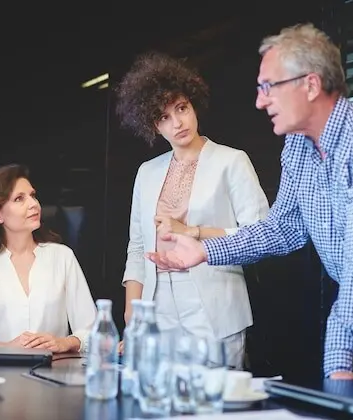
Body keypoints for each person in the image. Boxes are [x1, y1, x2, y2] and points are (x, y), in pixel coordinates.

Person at [147, 23, 353, 380]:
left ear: (310, 85)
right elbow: (281, 229)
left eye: (268, 87)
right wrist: (206, 250)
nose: (260, 101)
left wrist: (338, 360)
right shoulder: (298, 145)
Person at [115, 52, 269, 368]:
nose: (177, 122)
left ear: (193, 104)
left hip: (214, 302)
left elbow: (260, 236)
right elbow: (138, 246)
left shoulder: (232, 161)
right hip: (156, 304)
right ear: (153, 125)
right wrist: (132, 310)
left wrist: (194, 232)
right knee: (158, 393)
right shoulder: (147, 172)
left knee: (215, 394)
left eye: (181, 108)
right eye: (163, 117)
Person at [0, 164, 97, 353]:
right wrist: (2, 347)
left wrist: (66, 342)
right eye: (19, 199)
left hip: (53, 368)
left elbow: (95, 333)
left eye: (33, 195)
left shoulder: (62, 257)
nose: (33, 204)